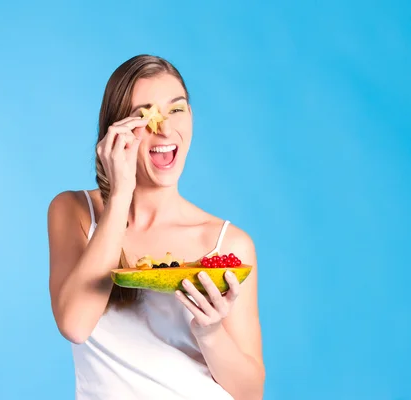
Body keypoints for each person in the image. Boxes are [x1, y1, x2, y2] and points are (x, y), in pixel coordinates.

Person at [47, 54, 265, 400]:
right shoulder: (74, 211)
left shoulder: (228, 243)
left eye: (176, 109)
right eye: (143, 115)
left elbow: (251, 393)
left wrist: (210, 332)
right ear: (115, 133)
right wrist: (120, 196)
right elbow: (75, 324)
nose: (163, 127)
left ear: (191, 117)